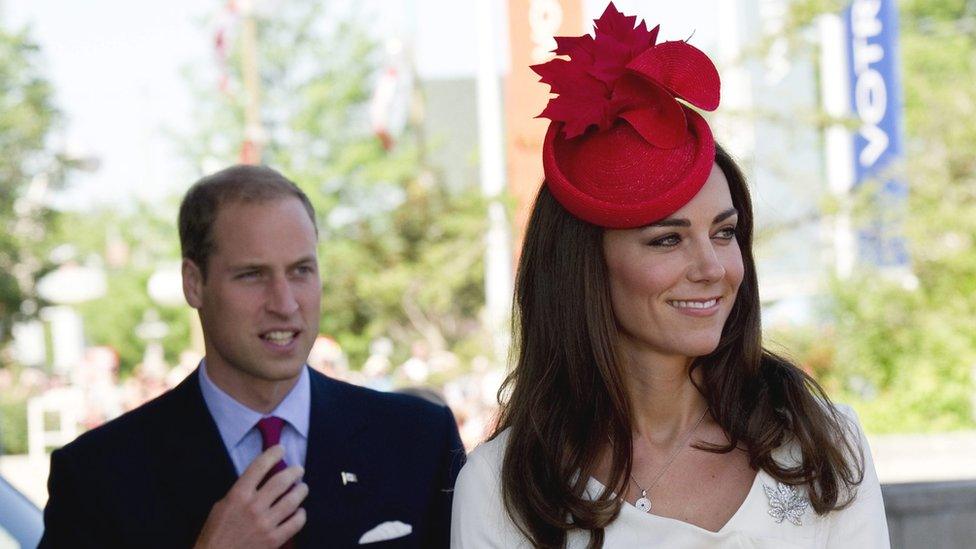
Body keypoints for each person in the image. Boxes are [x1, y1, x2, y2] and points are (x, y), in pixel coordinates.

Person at [451, 4, 889, 548]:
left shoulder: (822, 444)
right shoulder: (503, 490)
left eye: (724, 233)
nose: (713, 268)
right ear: (583, 267)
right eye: (667, 239)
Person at [40, 165, 464, 548]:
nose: (284, 302)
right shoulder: (98, 475)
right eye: (252, 275)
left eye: (301, 270)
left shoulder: (420, 439)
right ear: (194, 283)